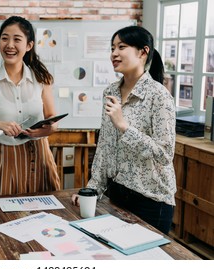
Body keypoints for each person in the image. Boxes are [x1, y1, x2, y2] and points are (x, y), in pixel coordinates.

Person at [73, 26, 176, 234]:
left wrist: (124, 127)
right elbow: (104, 146)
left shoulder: (159, 96)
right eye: (112, 48)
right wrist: (92, 190)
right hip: (117, 194)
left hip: (152, 201)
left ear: (142, 52)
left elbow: (165, 154)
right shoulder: (110, 92)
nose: (114, 53)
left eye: (122, 47)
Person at [0, 16, 61, 195]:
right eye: (4, 38)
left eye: (17, 39)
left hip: (40, 156)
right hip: (6, 158)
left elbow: (52, 118)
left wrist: (47, 130)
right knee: (3, 216)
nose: (10, 45)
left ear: (29, 45)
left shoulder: (42, 79)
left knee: (47, 212)